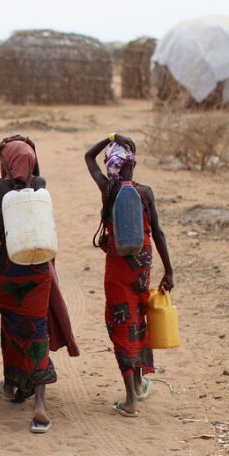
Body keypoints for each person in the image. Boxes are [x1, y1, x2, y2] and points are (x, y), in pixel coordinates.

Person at [0, 135, 77, 433]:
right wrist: (33, 153)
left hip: (10, 269)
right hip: (38, 271)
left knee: (12, 328)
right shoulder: (40, 186)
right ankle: (39, 404)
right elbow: (35, 177)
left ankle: (14, 386)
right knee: (37, 329)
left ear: (6, 162)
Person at [85, 133, 174, 418]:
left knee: (120, 322)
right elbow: (158, 233)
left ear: (111, 165)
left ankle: (130, 398)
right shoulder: (144, 192)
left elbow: (88, 156)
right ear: (133, 164)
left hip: (116, 270)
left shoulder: (107, 190)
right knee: (137, 319)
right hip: (141, 268)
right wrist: (169, 270)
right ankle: (138, 382)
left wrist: (111, 137)